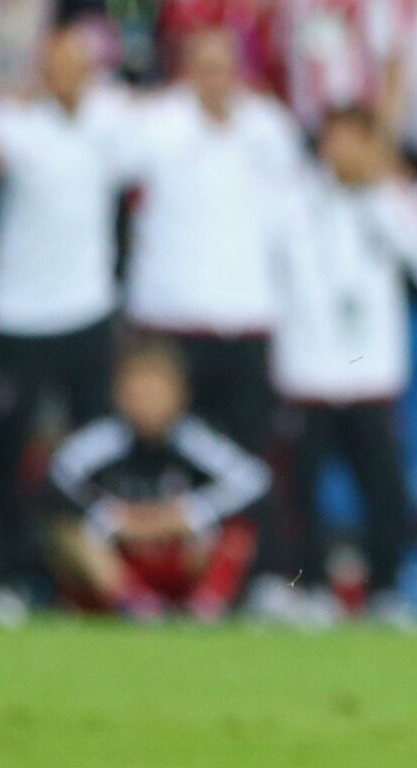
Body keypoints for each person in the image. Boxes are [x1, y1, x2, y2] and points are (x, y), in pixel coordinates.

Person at [261, 107, 417, 617]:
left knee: (384, 490)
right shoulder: (292, 201)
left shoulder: (392, 202)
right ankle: (307, 589)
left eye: (356, 141)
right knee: (302, 489)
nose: (344, 151)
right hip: (307, 371)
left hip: (371, 374)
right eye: (336, 139)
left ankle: (387, 589)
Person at [0, 28, 131, 601]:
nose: (68, 76)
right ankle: (9, 574)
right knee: (9, 452)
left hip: (87, 312)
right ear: (41, 73)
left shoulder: (112, 122)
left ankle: (90, 578)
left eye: (77, 65)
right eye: (56, 66)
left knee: (95, 456)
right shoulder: (10, 125)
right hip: (17, 316)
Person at [124, 28, 303, 457]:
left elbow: (292, 219)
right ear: (186, 72)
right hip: (170, 319)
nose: (213, 79)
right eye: (203, 68)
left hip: (247, 318)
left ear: (238, 71)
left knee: (248, 455)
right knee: (170, 455)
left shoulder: (270, 127)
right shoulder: (156, 123)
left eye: (222, 68)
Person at [47, 339, 270, 620]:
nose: (146, 403)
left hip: (179, 554)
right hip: (121, 558)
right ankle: (134, 604)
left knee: (237, 535)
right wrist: (112, 517)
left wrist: (190, 513)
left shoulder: (196, 440)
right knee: (69, 535)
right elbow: (54, 481)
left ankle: (204, 607)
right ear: (117, 394)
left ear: (180, 394)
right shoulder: (102, 439)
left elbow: (255, 481)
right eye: (136, 391)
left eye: (156, 392)